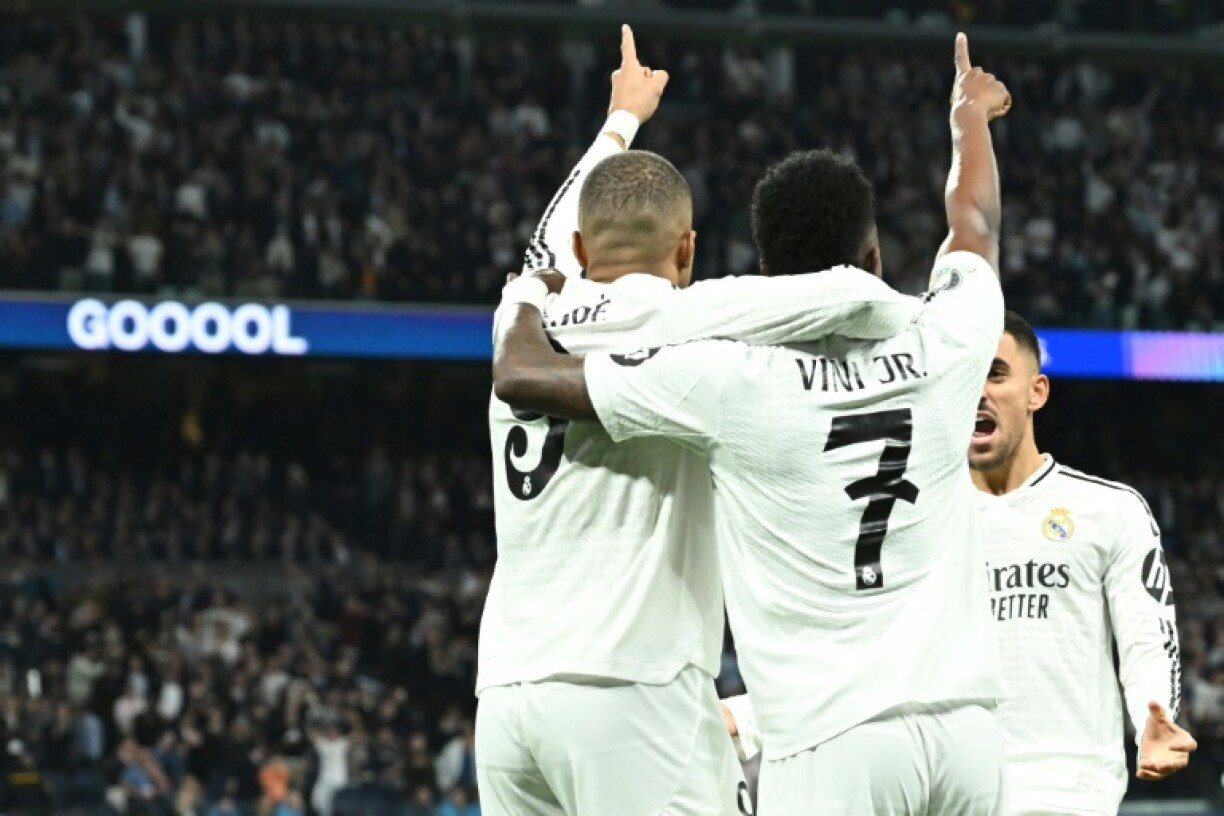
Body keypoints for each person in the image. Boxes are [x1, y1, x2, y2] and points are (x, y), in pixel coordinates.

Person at [491, 33, 1011, 814]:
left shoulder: (701, 366)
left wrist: (617, 125)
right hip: (653, 685)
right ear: (689, 250)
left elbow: (537, 314)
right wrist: (969, 118)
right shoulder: (932, 337)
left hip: (509, 688)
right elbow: (971, 225)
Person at [721, 311, 1199, 812]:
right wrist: (752, 718)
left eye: (994, 374)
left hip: (1062, 795)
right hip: (949, 791)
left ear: (1036, 392)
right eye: (966, 376)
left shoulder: (1109, 510)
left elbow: (1147, 635)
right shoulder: (911, 518)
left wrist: (1155, 716)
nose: (978, 391)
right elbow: (858, 652)